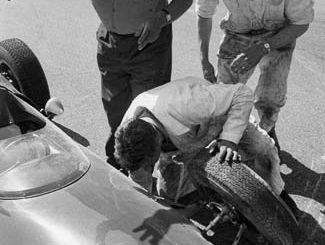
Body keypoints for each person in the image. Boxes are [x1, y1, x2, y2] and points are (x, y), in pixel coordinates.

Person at [0, 0, 194, 167]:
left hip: (149, 46)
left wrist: (162, 18)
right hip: (110, 43)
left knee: (145, 123)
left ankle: (144, 183)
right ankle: (118, 169)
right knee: (118, 118)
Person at [114, 76, 297, 215]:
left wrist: (229, 139)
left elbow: (242, 94)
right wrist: (144, 208)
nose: (147, 170)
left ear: (156, 146)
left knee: (261, 151)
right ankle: (213, 193)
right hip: (180, 146)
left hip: (217, 121)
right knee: (174, 201)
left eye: (149, 165)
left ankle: (279, 198)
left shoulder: (188, 103)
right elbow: (139, 176)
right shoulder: (129, 135)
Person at [195, 0, 314, 135]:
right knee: (224, 94)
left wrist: (264, 47)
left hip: (278, 34)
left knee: (271, 97)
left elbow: (301, 23)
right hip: (237, 32)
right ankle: (227, 137)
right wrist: (204, 60)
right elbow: (204, 14)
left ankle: (267, 131)